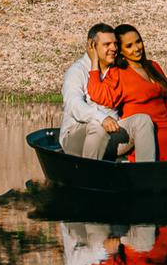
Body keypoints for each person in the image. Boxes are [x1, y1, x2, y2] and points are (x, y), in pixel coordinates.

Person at [86, 24, 167, 162]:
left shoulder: (152, 66)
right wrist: (94, 62)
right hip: (148, 130)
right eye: (129, 46)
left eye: (138, 42)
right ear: (121, 51)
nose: (136, 48)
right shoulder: (118, 73)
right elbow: (98, 94)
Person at [59, 22, 158, 162]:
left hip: (112, 136)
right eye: (107, 45)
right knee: (98, 127)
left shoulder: (117, 70)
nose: (113, 48)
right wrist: (102, 118)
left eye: (115, 44)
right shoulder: (77, 71)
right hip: (76, 138)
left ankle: (144, 176)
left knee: (143, 120)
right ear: (92, 45)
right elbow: (73, 105)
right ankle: (89, 175)